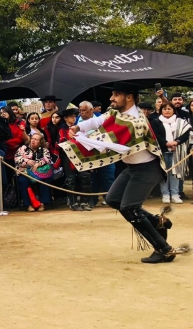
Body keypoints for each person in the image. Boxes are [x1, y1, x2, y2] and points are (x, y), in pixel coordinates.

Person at [65, 82, 189, 263]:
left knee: (129, 208)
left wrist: (79, 141)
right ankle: (157, 222)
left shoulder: (136, 122)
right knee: (113, 199)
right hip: (132, 168)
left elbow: (107, 139)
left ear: (129, 97)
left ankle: (164, 249)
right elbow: (99, 120)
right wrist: (78, 128)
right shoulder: (116, 113)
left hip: (147, 170)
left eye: (116, 94)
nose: (111, 98)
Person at [156, 99, 190, 204]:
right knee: (164, 174)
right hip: (163, 151)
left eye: (169, 109)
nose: (167, 111)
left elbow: (185, 134)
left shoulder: (181, 121)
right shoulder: (156, 122)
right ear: (161, 110)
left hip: (177, 151)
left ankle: (175, 194)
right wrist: (166, 143)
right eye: (164, 109)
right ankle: (165, 194)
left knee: (175, 174)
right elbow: (156, 136)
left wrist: (177, 142)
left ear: (173, 110)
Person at [15, 133, 53, 211]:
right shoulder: (23, 148)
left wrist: (38, 164)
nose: (33, 141)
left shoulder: (44, 150)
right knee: (23, 181)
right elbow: (17, 159)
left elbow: (48, 159)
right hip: (24, 172)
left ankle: (42, 203)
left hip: (39, 173)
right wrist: (27, 161)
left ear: (40, 142)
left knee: (45, 180)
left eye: (36, 139)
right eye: (32, 138)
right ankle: (28, 204)